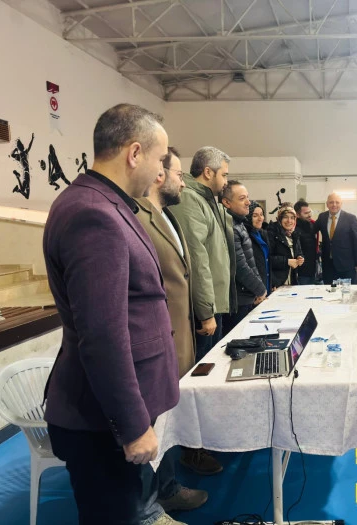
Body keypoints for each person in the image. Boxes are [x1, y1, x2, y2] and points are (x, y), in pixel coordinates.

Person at [42, 103, 181, 524]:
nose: (160, 173)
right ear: (134, 153)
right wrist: (133, 425)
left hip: (109, 413)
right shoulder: (93, 213)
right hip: (101, 420)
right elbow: (103, 335)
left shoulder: (108, 203)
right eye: (160, 159)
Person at [135, 147, 209, 516]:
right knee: (154, 422)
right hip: (156, 341)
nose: (183, 182)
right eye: (179, 174)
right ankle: (157, 496)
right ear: (160, 175)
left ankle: (168, 483)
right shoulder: (138, 217)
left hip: (178, 336)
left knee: (166, 417)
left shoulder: (167, 217)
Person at [170, 147, 232, 362]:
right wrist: (206, 312)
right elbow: (197, 259)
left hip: (215, 302)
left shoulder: (206, 200)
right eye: (224, 175)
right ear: (208, 172)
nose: (226, 181)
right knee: (205, 370)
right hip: (206, 309)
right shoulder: (190, 199)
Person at [221, 180, 267, 328]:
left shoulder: (239, 224)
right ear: (227, 203)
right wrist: (260, 289)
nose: (248, 202)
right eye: (242, 198)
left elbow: (250, 262)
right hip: (238, 300)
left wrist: (258, 289)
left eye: (247, 197)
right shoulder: (231, 227)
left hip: (247, 295)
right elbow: (240, 266)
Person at [315, 192, 357, 284]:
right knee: (328, 291)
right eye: (331, 202)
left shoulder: (350, 218)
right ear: (327, 204)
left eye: (337, 202)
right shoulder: (322, 217)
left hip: (347, 266)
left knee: (348, 291)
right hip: (328, 266)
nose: (334, 205)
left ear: (341, 204)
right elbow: (312, 230)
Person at [268, 205, 304, 288]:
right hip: (276, 283)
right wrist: (287, 261)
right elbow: (267, 259)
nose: (289, 221)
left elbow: (299, 252)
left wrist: (300, 257)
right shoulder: (272, 233)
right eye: (285, 217)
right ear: (279, 218)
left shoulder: (294, 234)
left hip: (291, 282)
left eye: (292, 218)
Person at [246, 201, 272, 294]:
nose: (260, 218)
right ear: (248, 217)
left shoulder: (263, 234)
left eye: (261, 214)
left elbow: (268, 261)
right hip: (254, 289)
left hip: (266, 285)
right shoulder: (246, 236)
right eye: (255, 216)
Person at [294, 200, 318, 285]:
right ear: (297, 215)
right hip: (302, 272)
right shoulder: (294, 229)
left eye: (309, 212)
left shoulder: (312, 225)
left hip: (312, 269)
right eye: (306, 213)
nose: (309, 215)